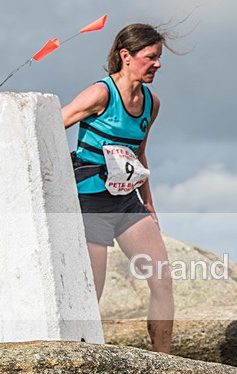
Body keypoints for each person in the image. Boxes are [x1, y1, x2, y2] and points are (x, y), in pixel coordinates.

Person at [61, 23, 174, 353]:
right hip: (91, 202)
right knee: (91, 292)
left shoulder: (151, 104)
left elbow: (139, 154)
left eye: (159, 58)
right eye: (150, 57)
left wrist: (149, 204)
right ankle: (77, 359)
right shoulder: (100, 94)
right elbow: (50, 124)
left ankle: (164, 362)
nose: (157, 64)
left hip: (127, 201)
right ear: (126, 56)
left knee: (162, 281)